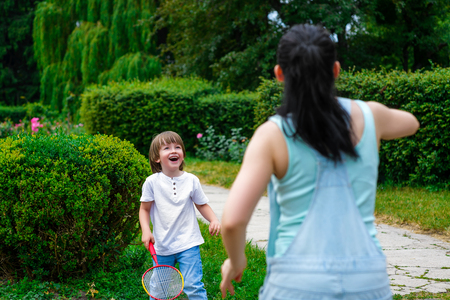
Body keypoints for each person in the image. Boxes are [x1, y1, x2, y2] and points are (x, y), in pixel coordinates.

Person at [220, 24, 419, 300]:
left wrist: (236, 261)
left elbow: (232, 222)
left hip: (296, 283)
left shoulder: (272, 135)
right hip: (367, 280)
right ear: (335, 70)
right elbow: (411, 123)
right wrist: (370, 114)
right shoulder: (371, 115)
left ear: (280, 74)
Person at [139, 131, 221, 300]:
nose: (174, 150)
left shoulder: (191, 180)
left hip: (188, 243)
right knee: (159, 291)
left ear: (182, 155)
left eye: (178, 147)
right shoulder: (152, 182)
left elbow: (201, 204)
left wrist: (213, 219)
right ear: (156, 157)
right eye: (167, 148)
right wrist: (146, 230)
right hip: (161, 246)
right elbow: (144, 209)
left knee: (193, 286)